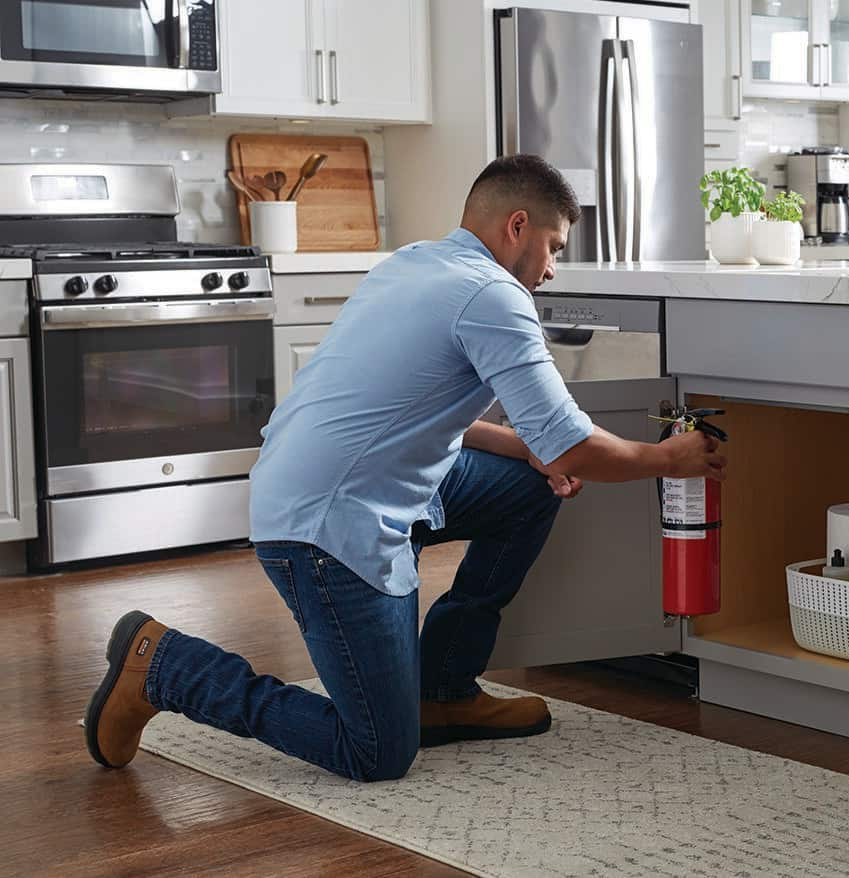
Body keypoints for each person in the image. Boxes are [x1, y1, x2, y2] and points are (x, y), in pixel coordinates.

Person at [84, 154, 726, 782]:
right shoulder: (493, 294)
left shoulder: (416, 263)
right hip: (326, 526)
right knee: (377, 752)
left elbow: (414, 413)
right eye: (554, 246)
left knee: (530, 488)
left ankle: (441, 687)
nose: (553, 269)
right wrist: (668, 458)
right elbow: (570, 447)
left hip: (334, 484)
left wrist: (525, 447)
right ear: (518, 227)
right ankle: (167, 666)